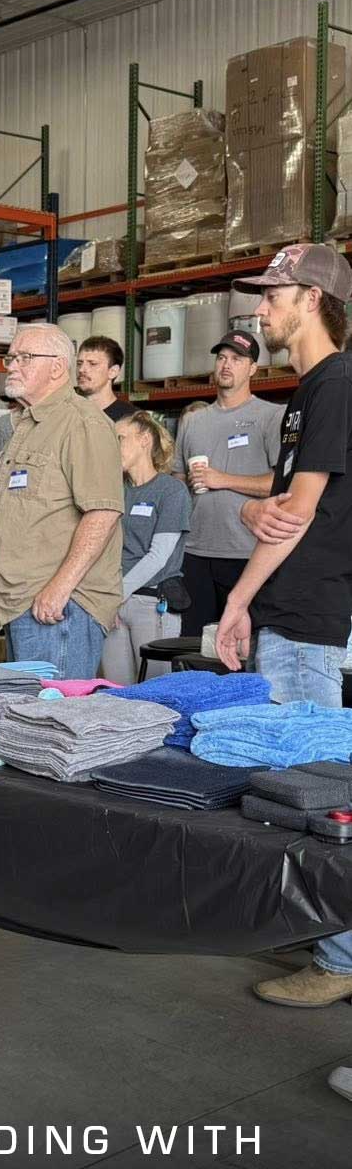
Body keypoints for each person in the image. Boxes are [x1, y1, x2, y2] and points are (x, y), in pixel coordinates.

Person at [211, 244, 352, 1010]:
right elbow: (280, 498)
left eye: (275, 294)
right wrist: (248, 506)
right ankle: (327, 937)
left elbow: (296, 512)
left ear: (314, 299)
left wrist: (236, 598)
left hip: (308, 611)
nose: (260, 307)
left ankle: (340, 956)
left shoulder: (335, 385)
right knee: (301, 781)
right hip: (291, 607)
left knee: (319, 792)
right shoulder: (306, 394)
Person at [0, 322, 123, 678]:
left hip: (61, 609)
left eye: (25, 357)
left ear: (58, 367)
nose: (12, 365)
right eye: (11, 357)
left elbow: (103, 511)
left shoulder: (82, 423)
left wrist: (59, 588)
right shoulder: (27, 424)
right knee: (31, 722)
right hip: (23, 603)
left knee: (52, 723)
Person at [169, 329, 282, 638]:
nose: (226, 365)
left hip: (248, 552)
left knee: (247, 647)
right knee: (193, 647)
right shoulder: (194, 420)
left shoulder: (271, 416)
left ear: (252, 369)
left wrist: (223, 480)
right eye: (221, 358)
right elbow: (178, 484)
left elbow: (281, 484)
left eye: (236, 359)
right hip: (196, 552)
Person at [100, 412, 192, 684]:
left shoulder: (171, 491)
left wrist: (115, 596)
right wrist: (106, 599)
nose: (112, 447)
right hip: (113, 603)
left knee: (154, 692)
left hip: (151, 603)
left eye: (119, 439)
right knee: (117, 693)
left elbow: (158, 557)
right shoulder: (117, 490)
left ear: (144, 440)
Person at [75, 335, 135, 422]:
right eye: (79, 363)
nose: (81, 370)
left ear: (113, 371)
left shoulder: (130, 420)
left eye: (92, 364)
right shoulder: (68, 414)